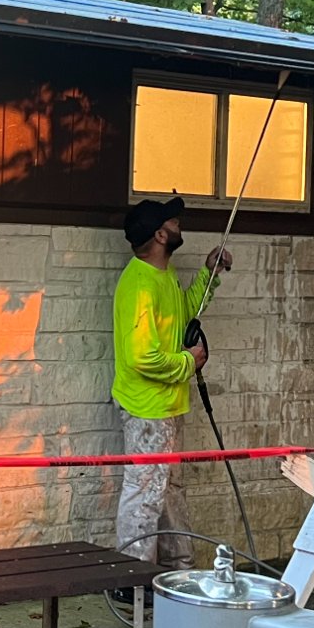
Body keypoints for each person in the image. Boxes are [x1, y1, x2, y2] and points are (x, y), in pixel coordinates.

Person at [111, 196, 230, 567]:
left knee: (168, 490)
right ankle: (131, 579)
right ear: (161, 234)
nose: (179, 224)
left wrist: (210, 274)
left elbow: (183, 314)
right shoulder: (140, 286)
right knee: (144, 490)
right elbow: (141, 356)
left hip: (166, 405)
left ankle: (178, 569)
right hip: (147, 408)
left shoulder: (163, 275)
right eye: (172, 221)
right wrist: (187, 363)